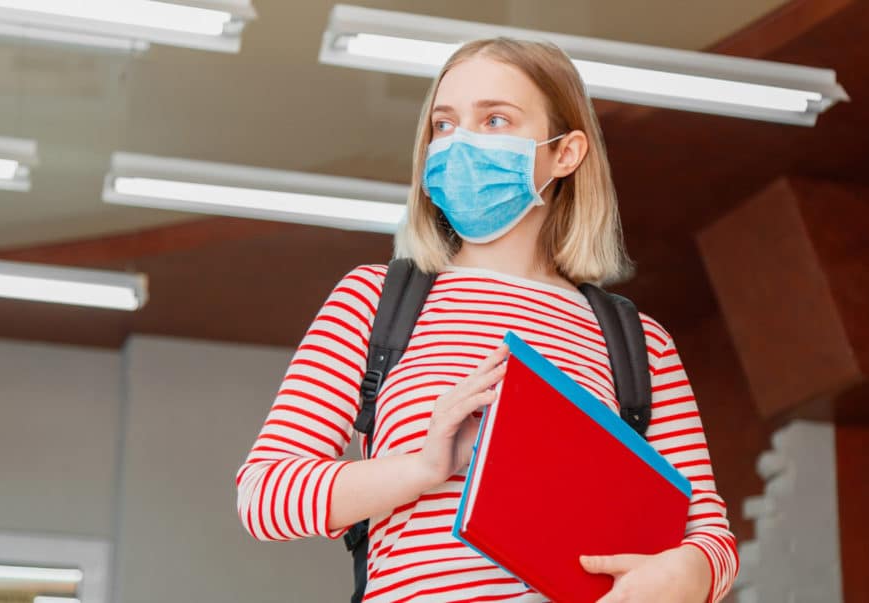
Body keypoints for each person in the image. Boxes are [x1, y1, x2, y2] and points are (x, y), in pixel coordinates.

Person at [236, 37, 738, 603]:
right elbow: (264, 496)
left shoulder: (638, 343)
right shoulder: (374, 300)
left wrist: (687, 576)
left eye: (495, 119)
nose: (462, 144)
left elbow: (707, 536)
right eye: (444, 126)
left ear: (565, 154)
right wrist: (423, 467)